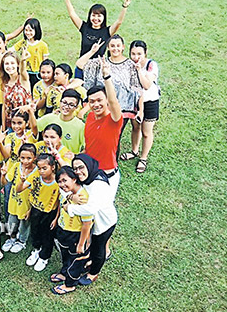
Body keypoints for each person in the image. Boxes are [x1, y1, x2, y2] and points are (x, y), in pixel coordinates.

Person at [59, 0, 134, 78]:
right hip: (82, 66)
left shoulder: (107, 32)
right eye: (94, 15)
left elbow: (119, 22)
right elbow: (72, 14)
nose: (96, 19)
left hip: (98, 70)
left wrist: (125, 6)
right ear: (89, 16)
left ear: (104, 17)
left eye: (99, 16)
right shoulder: (84, 27)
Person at [82, 48, 129, 199]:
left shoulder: (114, 120)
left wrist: (106, 76)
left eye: (99, 100)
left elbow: (114, 101)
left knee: (103, 213)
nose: (96, 104)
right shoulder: (90, 117)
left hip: (106, 174)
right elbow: (91, 146)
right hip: (89, 170)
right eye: (92, 101)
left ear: (106, 101)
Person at [69, 154, 118, 286]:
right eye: (75, 169)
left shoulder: (98, 185)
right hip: (96, 222)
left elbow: (90, 209)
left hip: (105, 223)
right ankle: (91, 261)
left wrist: (70, 208)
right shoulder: (89, 177)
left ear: (88, 166)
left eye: (81, 167)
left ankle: (93, 273)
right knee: (93, 247)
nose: (78, 172)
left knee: (98, 248)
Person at [50, 166, 93, 295]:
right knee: (65, 255)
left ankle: (70, 284)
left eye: (65, 180)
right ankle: (64, 273)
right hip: (64, 230)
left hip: (76, 234)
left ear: (74, 179)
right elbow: (61, 203)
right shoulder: (66, 192)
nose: (62, 184)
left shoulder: (83, 198)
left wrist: (81, 243)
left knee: (75, 260)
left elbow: (87, 224)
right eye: (59, 181)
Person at [120, 40, 160, 173]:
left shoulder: (151, 65)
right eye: (133, 54)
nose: (136, 57)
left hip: (150, 102)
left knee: (146, 132)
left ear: (145, 53)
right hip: (135, 101)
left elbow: (146, 85)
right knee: (135, 127)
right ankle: (134, 151)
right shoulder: (128, 64)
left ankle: (143, 158)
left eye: (139, 54)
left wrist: (138, 71)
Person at [18, 153, 60, 272]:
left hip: (49, 213)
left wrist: (56, 218)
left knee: (47, 235)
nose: (41, 171)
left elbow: (59, 203)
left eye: (44, 168)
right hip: (36, 210)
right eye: (39, 168)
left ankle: (44, 257)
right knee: (35, 231)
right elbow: (19, 189)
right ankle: (36, 250)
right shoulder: (35, 176)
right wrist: (22, 181)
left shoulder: (58, 182)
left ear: (52, 167)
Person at [1, 143, 38, 254]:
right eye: (22, 158)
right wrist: (3, 174)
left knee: (24, 225)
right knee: (11, 221)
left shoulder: (36, 172)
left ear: (34, 158)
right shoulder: (16, 166)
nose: (25, 161)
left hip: (27, 204)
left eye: (29, 158)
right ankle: (12, 238)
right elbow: (5, 183)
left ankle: (21, 241)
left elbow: (36, 193)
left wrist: (30, 209)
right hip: (14, 201)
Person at [33, 89, 85, 154]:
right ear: (60, 102)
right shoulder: (50, 117)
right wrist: (30, 111)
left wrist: (75, 157)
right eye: (64, 102)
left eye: (71, 105)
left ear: (76, 107)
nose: (66, 107)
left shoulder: (80, 126)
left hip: (67, 162)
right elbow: (33, 126)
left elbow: (87, 148)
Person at [10, 18, 50, 89]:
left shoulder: (43, 45)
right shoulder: (23, 42)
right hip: (24, 73)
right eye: (26, 30)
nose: (28, 33)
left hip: (37, 74)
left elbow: (45, 62)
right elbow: (12, 50)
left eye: (30, 30)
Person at [0, 50, 31, 130]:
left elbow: (23, 71)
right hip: (11, 125)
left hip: (25, 124)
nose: (9, 66)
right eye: (6, 64)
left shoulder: (22, 79)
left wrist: (23, 60)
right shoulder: (5, 82)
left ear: (17, 64)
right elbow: (4, 106)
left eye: (12, 63)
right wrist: (3, 127)